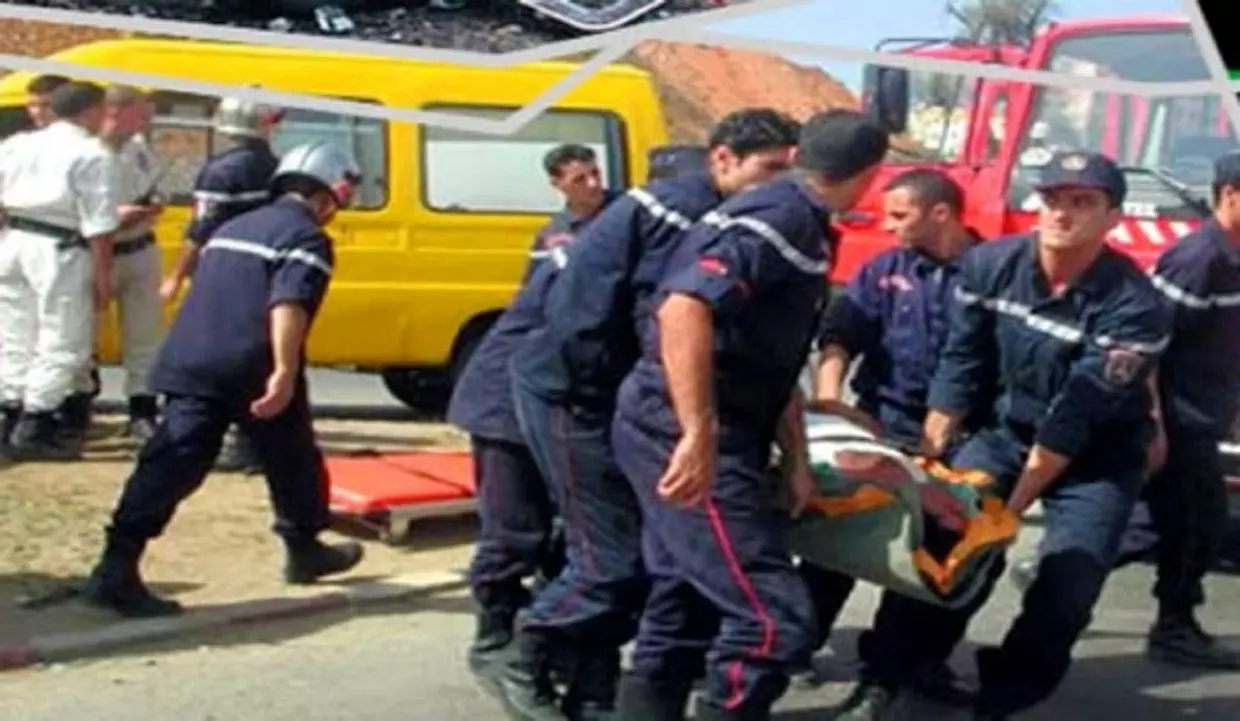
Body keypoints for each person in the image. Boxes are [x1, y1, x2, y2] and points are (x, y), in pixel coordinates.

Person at [492, 108, 801, 721]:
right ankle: (521, 651)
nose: (777, 187)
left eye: (786, 173)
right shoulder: (687, 214)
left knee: (653, 557)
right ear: (722, 159)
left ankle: (593, 689)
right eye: (767, 170)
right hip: (572, 393)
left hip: (607, 392)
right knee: (612, 559)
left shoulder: (711, 211)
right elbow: (663, 317)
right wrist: (693, 423)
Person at [611, 109, 890, 721]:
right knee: (773, 618)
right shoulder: (780, 220)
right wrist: (697, 434)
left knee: (684, 600)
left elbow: (770, 357)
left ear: (798, 155)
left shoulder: (794, 215)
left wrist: (794, 459)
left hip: (705, 422)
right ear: (870, 177)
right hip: (684, 430)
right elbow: (683, 308)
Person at [903, 151, 1171, 721]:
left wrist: (1010, 513)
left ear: (1113, 218)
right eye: (1052, 199)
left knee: (1067, 588)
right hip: (1006, 433)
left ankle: (1002, 697)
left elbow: (1074, 419)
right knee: (945, 547)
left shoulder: (1136, 306)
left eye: (1082, 203)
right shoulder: (990, 265)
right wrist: (936, 452)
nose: (1061, 214)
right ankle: (907, 667)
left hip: (1097, 456)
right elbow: (963, 356)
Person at [81, 141, 365, 619]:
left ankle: (117, 562)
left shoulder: (237, 226)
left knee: (177, 460)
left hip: (191, 357)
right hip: (248, 362)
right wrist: (284, 372)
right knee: (291, 455)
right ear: (330, 194)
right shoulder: (306, 237)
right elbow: (287, 304)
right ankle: (302, 544)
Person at [1017, 152, 1240, 670]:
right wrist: (1156, 421)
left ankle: (1056, 569)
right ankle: (1173, 626)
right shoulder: (1198, 258)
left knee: (1161, 519)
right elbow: (1149, 345)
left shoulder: (1231, 257)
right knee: (1196, 522)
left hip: (1205, 411)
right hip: (1179, 416)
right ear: (1230, 195)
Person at [798, 168, 985, 716]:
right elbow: (840, 336)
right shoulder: (884, 269)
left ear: (941, 213)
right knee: (832, 543)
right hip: (882, 426)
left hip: (958, 441)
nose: (887, 224)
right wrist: (833, 406)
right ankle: (791, 643)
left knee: (928, 561)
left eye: (899, 215)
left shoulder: (993, 274)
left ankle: (890, 674)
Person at [448, 143, 617, 680]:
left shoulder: (614, 224)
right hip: (508, 399)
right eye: (579, 178)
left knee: (565, 529)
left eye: (595, 174)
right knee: (514, 527)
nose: (592, 184)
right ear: (558, 184)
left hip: (551, 396)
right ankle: (496, 633)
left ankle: (550, 634)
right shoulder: (557, 237)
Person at [162, 95, 284, 474]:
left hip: (222, 270)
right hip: (265, 269)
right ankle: (255, 440)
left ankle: (216, 437)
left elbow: (201, 228)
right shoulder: (280, 169)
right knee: (256, 352)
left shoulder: (221, 171)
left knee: (211, 351)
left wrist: (177, 275)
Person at [0, 81, 121, 459]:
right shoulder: (91, 153)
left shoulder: (18, 144)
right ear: (88, 111)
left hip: (15, 238)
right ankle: (36, 421)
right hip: (60, 246)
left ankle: (9, 409)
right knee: (62, 335)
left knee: (16, 331)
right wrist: (103, 277)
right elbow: (99, 225)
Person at [65, 86, 168, 442]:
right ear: (115, 111)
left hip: (138, 247)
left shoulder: (138, 149)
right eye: (140, 111)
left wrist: (151, 205)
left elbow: (156, 185)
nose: (146, 119)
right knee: (82, 332)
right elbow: (69, 208)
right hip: (93, 249)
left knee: (144, 333)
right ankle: (77, 406)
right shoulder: (83, 151)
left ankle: (142, 408)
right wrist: (114, 216)